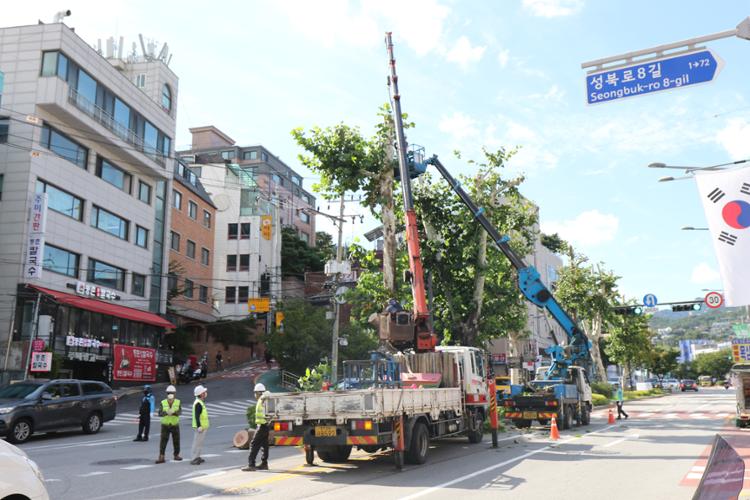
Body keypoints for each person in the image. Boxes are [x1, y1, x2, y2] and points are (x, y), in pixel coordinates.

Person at [242, 383, 270, 471]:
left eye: (255, 393)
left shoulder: (262, 399)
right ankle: (264, 463)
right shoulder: (264, 398)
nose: (255, 395)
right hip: (265, 425)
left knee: (254, 444)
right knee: (264, 445)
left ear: (258, 393)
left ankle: (251, 464)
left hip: (262, 425)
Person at [155, 385, 182, 464]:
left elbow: (180, 411)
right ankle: (161, 456)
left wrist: (174, 412)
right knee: (163, 441)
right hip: (165, 425)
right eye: (169, 393)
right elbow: (159, 413)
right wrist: (166, 412)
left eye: (172, 393)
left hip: (175, 424)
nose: (171, 394)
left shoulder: (178, 402)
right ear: (167, 394)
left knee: (176, 441)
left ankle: (176, 455)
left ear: (174, 393)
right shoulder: (163, 402)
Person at [191, 385, 209, 465]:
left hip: (203, 427)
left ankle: (197, 456)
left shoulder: (200, 402)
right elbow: (197, 416)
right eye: (204, 392)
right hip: (200, 427)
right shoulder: (198, 403)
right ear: (201, 394)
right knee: (197, 443)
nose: (205, 393)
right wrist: (199, 426)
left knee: (200, 443)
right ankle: (194, 458)